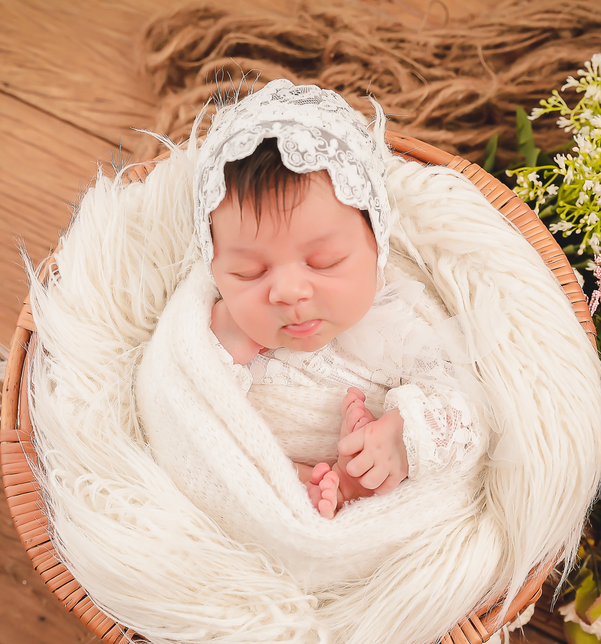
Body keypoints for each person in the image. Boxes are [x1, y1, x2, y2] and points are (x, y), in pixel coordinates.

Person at [199, 81, 484, 519]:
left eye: (325, 261)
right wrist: (215, 359)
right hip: (256, 503)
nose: (289, 292)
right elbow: (180, 419)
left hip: (373, 490)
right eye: (249, 273)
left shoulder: (396, 317)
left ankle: (351, 490)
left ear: (377, 246)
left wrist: (404, 439)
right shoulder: (209, 331)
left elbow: (470, 406)